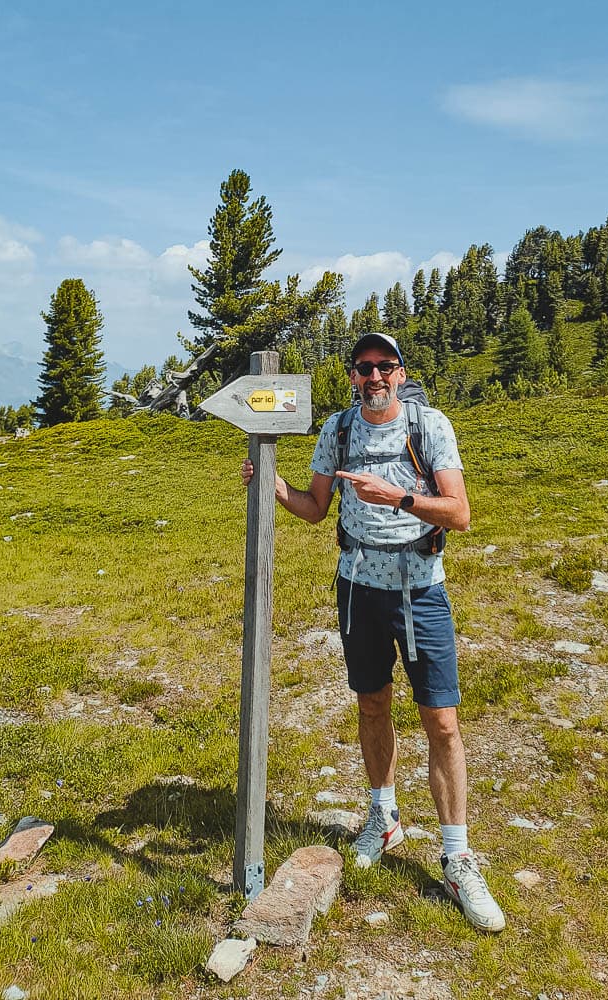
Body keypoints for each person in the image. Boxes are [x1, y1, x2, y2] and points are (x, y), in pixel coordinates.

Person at [241, 332, 505, 933]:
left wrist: (399, 496)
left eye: (385, 366)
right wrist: (272, 483)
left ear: (401, 373)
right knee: (371, 703)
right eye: (365, 368)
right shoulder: (337, 429)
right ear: (353, 376)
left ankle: (458, 856)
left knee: (441, 719)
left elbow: (460, 514)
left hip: (420, 589)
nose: (375, 376)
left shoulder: (430, 425)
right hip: (357, 584)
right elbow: (314, 507)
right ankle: (383, 815)